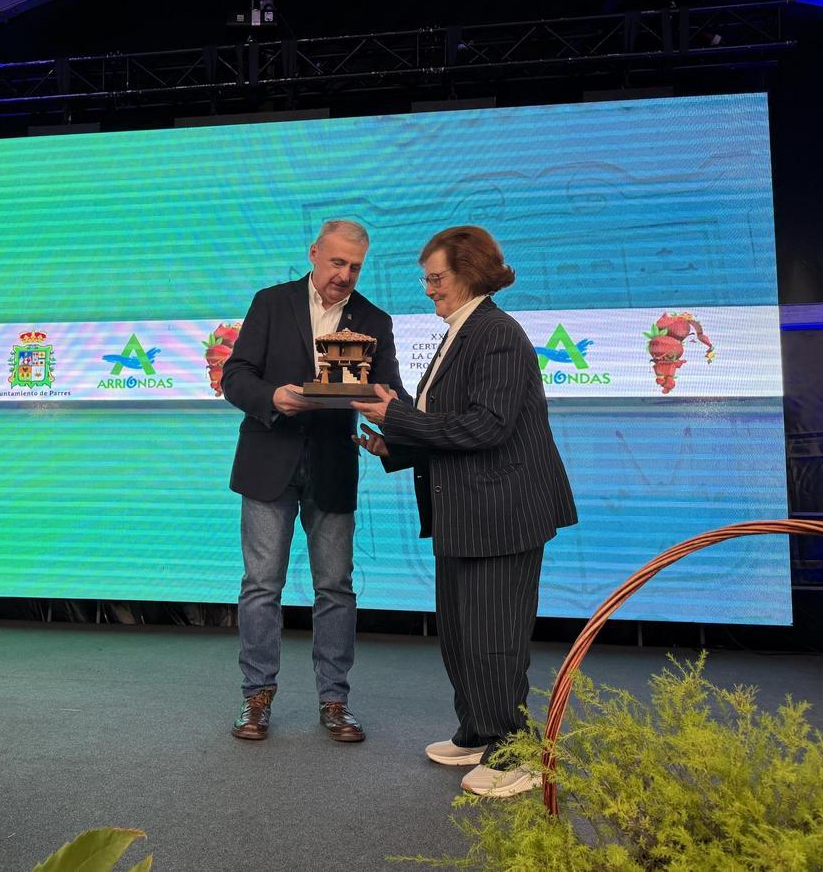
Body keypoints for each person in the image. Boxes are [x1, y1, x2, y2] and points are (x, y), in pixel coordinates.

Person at [352, 225, 576, 796]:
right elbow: (451, 426)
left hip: (504, 513)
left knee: (495, 637)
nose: (428, 290)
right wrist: (394, 445)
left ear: (469, 272)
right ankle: (481, 731)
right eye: (426, 279)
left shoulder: (497, 333)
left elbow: (487, 426)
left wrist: (394, 416)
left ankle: (520, 753)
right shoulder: (463, 331)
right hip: (465, 513)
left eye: (436, 278)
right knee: (460, 633)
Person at [221, 219, 406, 742]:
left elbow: (392, 390)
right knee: (261, 587)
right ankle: (255, 699)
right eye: (336, 263)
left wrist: (382, 408)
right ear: (314, 254)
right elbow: (236, 376)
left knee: (336, 588)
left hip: (332, 465)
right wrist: (273, 398)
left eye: (355, 267)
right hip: (268, 458)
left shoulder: (374, 319)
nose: (344, 275)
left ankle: (335, 702)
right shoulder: (270, 302)